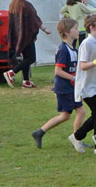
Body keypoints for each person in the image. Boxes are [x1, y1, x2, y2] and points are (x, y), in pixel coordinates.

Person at [31, 19, 86, 149]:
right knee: (79, 112)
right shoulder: (63, 50)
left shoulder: (74, 49)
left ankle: (40, 132)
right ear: (67, 33)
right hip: (64, 88)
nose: (78, 31)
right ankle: (76, 139)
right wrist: (74, 78)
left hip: (71, 87)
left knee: (67, 115)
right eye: (75, 28)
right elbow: (58, 71)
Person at [71, 14, 96, 155]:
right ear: (92, 27)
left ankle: (77, 136)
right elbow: (82, 65)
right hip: (86, 86)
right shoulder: (87, 43)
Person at [5, 0, 51, 88]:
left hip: (18, 37)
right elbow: (35, 20)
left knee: (26, 58)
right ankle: (12, 72)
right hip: (27, 37)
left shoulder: (12, 6)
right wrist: (45, 29)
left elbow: (12, 24)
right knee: (31, 58)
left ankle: (26, 81)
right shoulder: (27, 5)